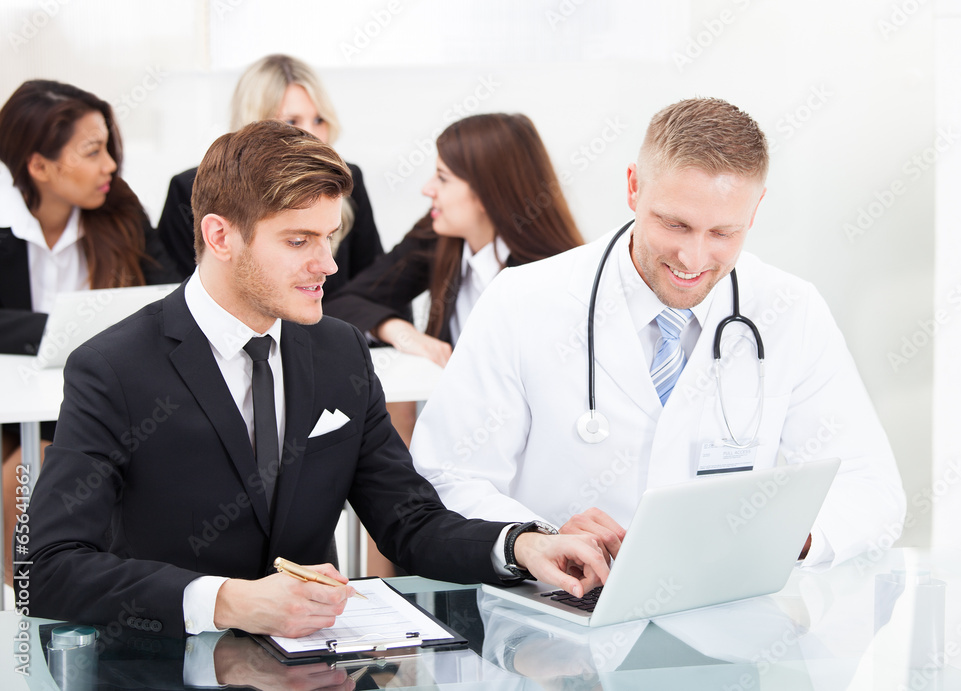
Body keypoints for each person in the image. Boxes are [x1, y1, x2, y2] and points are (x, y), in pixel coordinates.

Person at [25, 120, 607, 640]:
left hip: (316, 664)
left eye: (329, 237)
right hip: (166, 663)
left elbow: (409, 521)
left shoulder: (341, 352)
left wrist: (521, 545)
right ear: (220, 236)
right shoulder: (113, 367)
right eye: (298, 241)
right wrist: (225, 601)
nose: (327, 264)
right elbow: (49, 567)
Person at [409, 98, 906, 568]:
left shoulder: (791, 310)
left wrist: (780, 535)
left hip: (721, 620)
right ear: (633, 187)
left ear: (755, 211)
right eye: (674, 224)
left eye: (722, 234)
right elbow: (446, 477)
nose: (692, 259)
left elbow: (870, 488)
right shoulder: (521, 300)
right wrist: (539, 537)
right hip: (549, 621)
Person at [0, 79, 177, 584]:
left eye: (108, 148)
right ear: (39, 166)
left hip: (108, 404)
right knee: (26, 472)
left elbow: (168, 298)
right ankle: (29, 613)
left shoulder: (118, 208)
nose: (110, 166)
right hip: (17, 411)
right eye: (92, 151)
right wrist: (68, 327)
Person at [325, 112, 583, 368]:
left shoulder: (554, 279)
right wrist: (398, 331)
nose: (427, 189)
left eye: (443, 178)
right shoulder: (438, 236)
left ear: (487, 193)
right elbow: (341, 304)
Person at [157, 53, 384, 296]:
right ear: (255, 124)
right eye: (291, 121)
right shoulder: (189, 189)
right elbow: (183, 296)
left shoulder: (345, 182)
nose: (311, 135)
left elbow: (376, 281)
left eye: (319, 119)